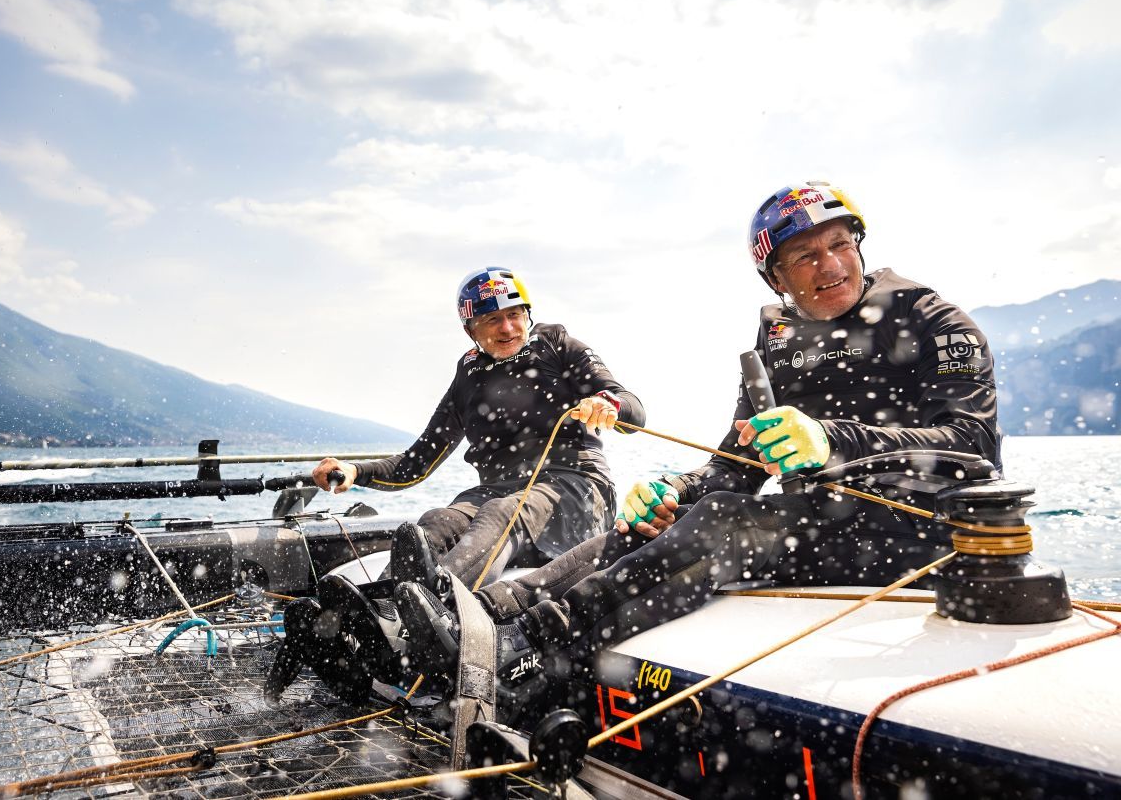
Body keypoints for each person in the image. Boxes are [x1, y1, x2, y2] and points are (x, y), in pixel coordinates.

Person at [395, 182, 1001, 718]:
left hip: (913, 535)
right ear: (776, 277)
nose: (830, 265)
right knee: (652, 525)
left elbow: (973, 444)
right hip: (816, 525)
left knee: (721, 523)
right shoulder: (777, 343)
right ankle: (485, 619)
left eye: (841, 245)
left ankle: (529, 645)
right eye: (805, 256)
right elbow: (734, 466)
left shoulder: (929, 318)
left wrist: (831, 439)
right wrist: (671, 490)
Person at [267, 265, 645, 701]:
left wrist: (607, 403)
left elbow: (634, 409)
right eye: (491, 320)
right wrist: (357, 472)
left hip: (575, 488)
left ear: (527, 313)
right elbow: (418, 461)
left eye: (514, 314)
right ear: (470, 330)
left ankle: (429, 619)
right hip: (499, 488)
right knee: (436, 521)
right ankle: (382, 613)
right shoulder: (469, 374)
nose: (507, 327)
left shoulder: (557, 345)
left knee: (502, 513)